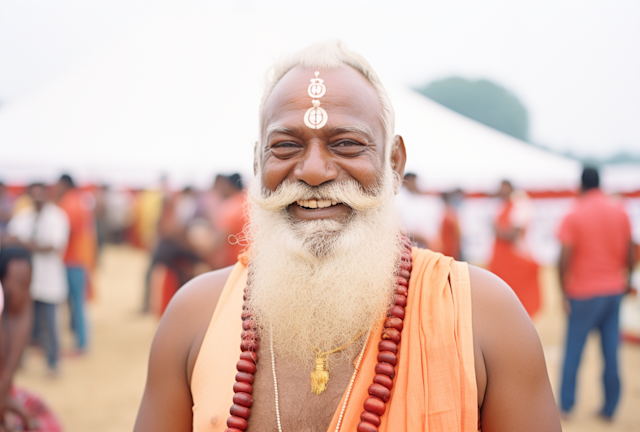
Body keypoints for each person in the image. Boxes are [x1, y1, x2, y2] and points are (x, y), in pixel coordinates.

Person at [135, 40, 560, 432]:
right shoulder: (193, 317)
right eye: (285, 146)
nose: (314, 171)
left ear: (394, 162)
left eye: (346, 144)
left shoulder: (486, 318)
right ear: (257, 163)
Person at [557, 167, 634, 421]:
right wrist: (626, 280)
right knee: (611, 351)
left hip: (583, 292)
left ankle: (566, 406)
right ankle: (610, 407)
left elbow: (564, 257)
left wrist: (563, 291)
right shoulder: (619, 211)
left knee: (574, 351)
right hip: (613, 290)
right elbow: (631, 252)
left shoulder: (574, 214)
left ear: (581, 185)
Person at [6, 183, 69, 374]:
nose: (37, 197)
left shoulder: (57, 216)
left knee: (49, 324)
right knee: (21, 324)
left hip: (48, 280)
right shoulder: (22, 216)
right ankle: (18, 361)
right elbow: (8, 240)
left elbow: (53, 246)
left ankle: (52, 362)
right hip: (24, 283)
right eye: (33, 194)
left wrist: (22, 243)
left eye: (40, 194)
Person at [56, 173, 97, 353]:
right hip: (81, 258)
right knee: (78, 303)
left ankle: (80, 343)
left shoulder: (68, 203)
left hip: (71, 259)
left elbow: (64, 231)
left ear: (64, 184)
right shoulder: (81, 201)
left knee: (76, 304)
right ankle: (80, 340)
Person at [488, 180, 541, 318]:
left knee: (519, 301)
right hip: (503, 262)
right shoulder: (501, 206)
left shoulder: (520, 205)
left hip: (515, 260)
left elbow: (514, 233)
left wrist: (499, 231)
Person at [394, 173, 442, 249]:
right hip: (409, 248)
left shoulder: (418, 199)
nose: (416, 185)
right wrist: (424, 239)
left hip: (426, 247)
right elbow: (398, 230)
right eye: (414, 182)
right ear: (407, 181)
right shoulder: (398, 199)